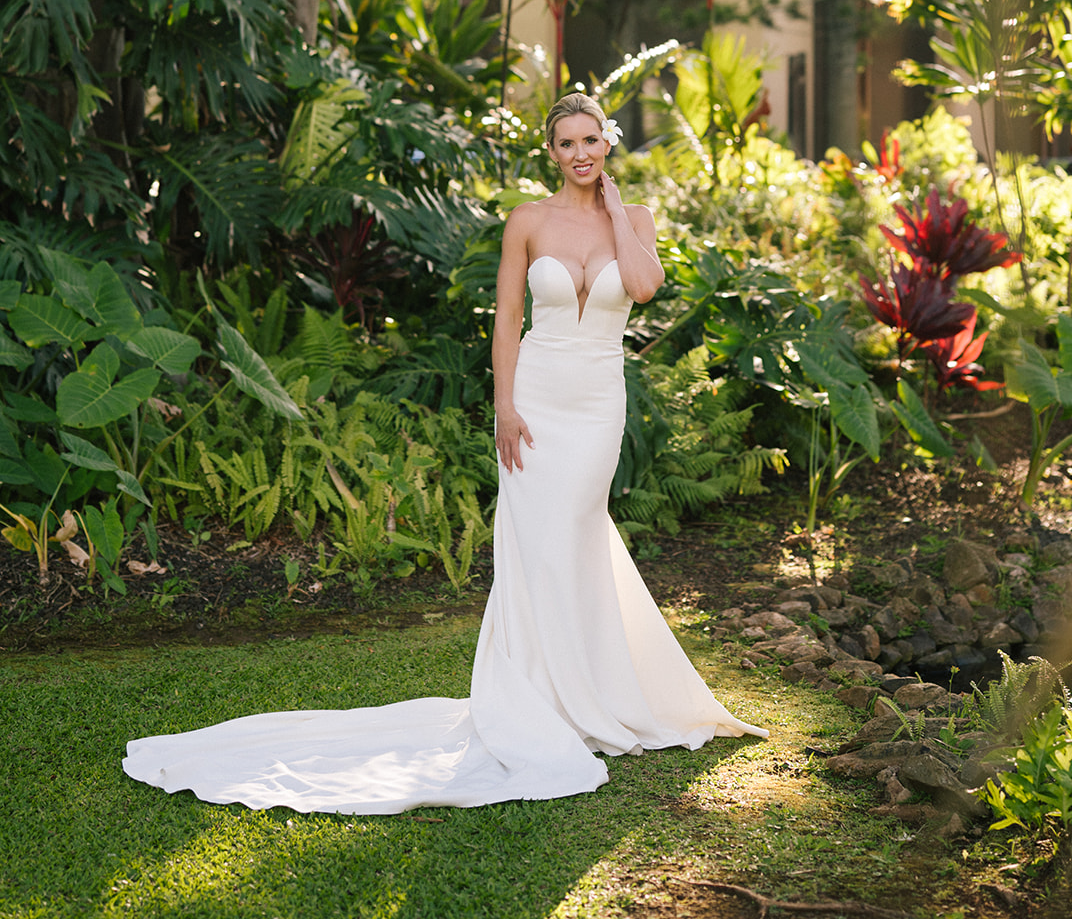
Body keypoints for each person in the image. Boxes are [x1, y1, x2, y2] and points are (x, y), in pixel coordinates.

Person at [122, 92, 766, 815]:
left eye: (591, 140)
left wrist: (617, 210)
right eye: (566, 144)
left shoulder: (636, 221)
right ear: (549, 153)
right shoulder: (527, 220)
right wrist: (505, 404)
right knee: (538, 543)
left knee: (576, 534)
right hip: (539, 398)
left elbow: (644, 288)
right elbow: (510, 317)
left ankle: (591, 692)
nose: (580, 154)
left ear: (607, 144)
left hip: (597, 405)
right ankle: (543, 694)